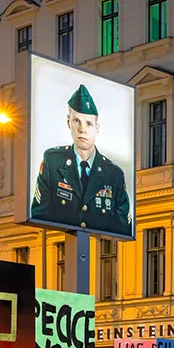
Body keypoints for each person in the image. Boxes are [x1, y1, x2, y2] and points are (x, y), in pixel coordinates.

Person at [31, 83, 131, 235]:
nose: (82, 129)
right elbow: (39, 212)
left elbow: (123, 226)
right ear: (68, 122)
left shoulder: (114, 174)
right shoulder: (53, 162)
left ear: (97, 128)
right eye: (77, 121)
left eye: (89, 123)